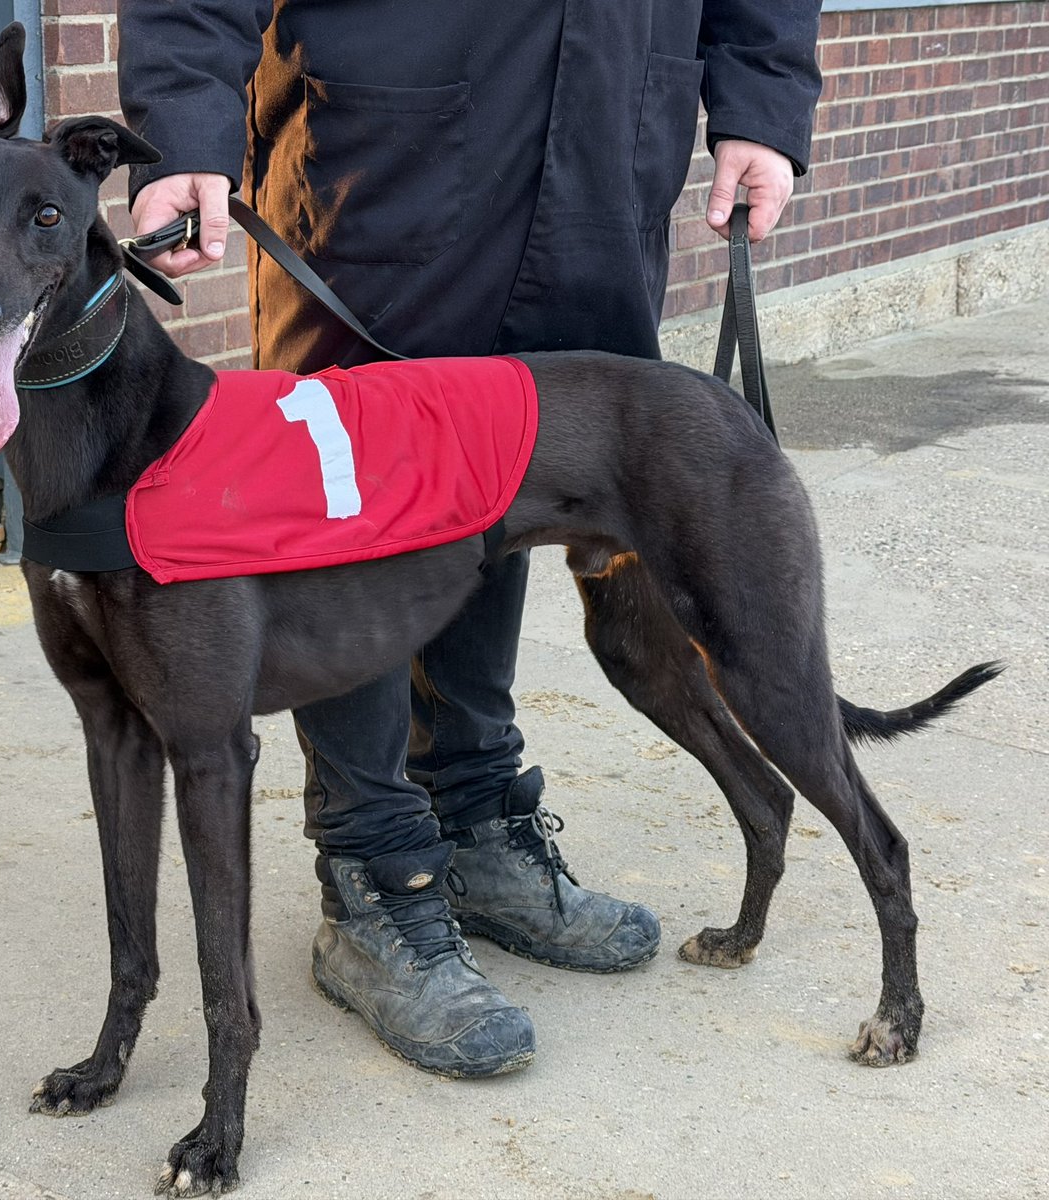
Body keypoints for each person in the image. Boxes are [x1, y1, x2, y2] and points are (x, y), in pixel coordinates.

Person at [116, 1, 822, 1078]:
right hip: (380, 149)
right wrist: (182, 124)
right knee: (347, 505)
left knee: (514, 482)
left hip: (603, 132)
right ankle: (373, 877)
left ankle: (476, 815)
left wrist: (762, 102)